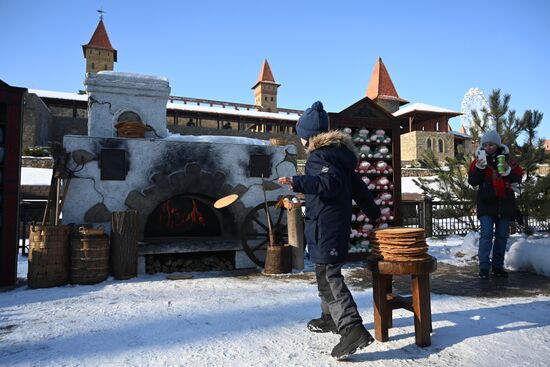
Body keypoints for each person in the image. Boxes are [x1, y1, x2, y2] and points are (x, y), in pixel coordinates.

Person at [278, 101, 381, 360]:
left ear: (308, 137)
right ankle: (330, 317)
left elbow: (329, 184)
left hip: (327, 226)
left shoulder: (320, 156)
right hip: (326, 224)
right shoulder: (339, 156)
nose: (301, 141)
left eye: (301, 136)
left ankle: (351, 328)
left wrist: (298, 181)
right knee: (323, 272)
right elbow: (357, 187)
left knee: (330, 275)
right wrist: (374, 213)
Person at [468, 129, 523, 278]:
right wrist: (479, 168)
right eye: (485, 145)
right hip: (486, 204)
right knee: (486, 235)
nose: (487, 147)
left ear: (497, 144)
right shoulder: (478, 160)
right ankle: (484, 267)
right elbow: (472, 181)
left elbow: (518, 178)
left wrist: (507, 171)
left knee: (501, 236)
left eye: (491, 144)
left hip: (504, 203)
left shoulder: (508, 160)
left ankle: (498, 266)